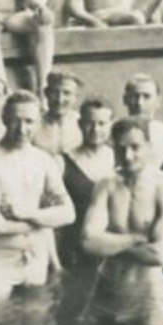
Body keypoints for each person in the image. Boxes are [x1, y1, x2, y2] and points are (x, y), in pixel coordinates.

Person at [0, 89, 75, 310]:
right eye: (16, 120)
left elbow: (69, 213)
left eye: (29, 121)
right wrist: (46, 221)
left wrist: (28, 214)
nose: (23, 128)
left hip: (36, 255)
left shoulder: (43, 160)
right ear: (5, 118)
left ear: (38, 123)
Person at [81, 116, 163, 325]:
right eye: (121, 148)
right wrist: (137, 239)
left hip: (148, 295)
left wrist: (108, 242)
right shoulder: (105, 184)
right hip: (106, 289)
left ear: (148, 146)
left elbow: (161, 255)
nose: (127, 156)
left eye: (135, 147)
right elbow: (88, 242)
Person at [60, 96, 116, 268]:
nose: (95, 129)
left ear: (110, 124)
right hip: (74, 250)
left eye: (102, 123)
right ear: (80, 124)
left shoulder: (122, 158)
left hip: (114, 248)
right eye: (89, 123)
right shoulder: (63, 161)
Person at [122, 74, 163, 164]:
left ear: (158, 101)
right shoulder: (111, 137)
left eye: (146, 96)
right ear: (125, 99)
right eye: (134, 96)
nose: (140, 103)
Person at [34, 71, 83, 155]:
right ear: (46, 93)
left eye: (66, 93)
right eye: (54, 92)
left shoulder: (84, 124)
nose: (59, 100)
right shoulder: (33, 124)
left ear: (76, 96)